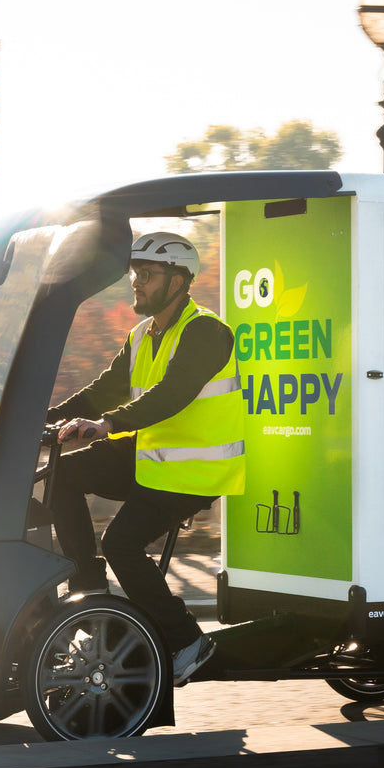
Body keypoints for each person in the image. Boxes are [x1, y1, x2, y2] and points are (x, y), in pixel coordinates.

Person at [46, 231, 245, 685]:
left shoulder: (208, 332)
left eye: (148, 274)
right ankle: (90, 586)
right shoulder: (142, 334)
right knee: (61, 476)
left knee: (121, 543)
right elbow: (102, 392)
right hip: (152, 457)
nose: (137, 282)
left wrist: (107, 426)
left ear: (178, 281)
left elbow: (172, 394)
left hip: (193, 470)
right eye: (136, 273)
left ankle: (188, 642)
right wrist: (44, 420)